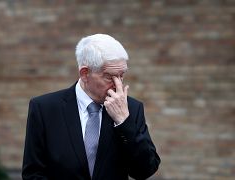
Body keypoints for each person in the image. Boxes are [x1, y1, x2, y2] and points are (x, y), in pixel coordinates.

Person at [22, 34, 160, 180]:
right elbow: (33, 174)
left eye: (121, 75)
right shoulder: (45, 108)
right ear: (85, 74)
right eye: (109, 76)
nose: (118, 84)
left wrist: (124, 123)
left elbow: (145, 170)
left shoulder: (131, 108)